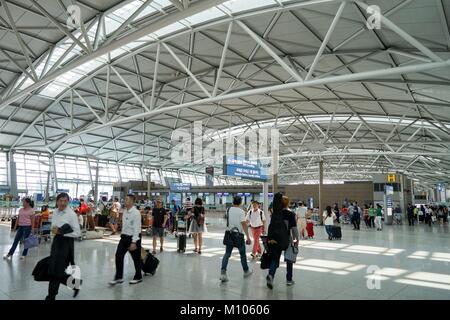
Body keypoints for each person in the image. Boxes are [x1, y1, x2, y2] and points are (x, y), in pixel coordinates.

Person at [46, 192, 82, 300]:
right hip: (56, 243)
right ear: (57, 202)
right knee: (55, 270)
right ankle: (75, 285)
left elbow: (77, 233)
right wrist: (55, 234)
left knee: (56, 271)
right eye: (60, 201)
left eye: (65, 201)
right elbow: (54, 229)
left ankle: (51, 297)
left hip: (66, 244)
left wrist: (62, 233)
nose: (62, 203)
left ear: (68, 201)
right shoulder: (55, 212)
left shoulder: (71, 214)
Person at [266, 194, 299, 289]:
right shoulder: (290, 214)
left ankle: (271, 275)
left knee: (275, 259)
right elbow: (294, 230)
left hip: (275, 239)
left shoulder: (275, 214)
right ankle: (289, 280)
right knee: (289, 259)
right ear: (287, 203)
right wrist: (296, 241)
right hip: (287, 239)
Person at [109, 194, 143, 285]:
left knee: (136, 259)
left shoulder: (136, 213)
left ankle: (138, 276)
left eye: (127, 199)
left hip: (133, 238)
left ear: (132, 201)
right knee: (118, 255)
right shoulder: (125, 211)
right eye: (125, 199)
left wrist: (134, 242)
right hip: (124, 238)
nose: (125, 201)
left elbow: (137, 228)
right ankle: (119, 277)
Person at [220, 196, 252, 282]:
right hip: (238, 235)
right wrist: (248, 237)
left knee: (227, 254)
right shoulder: (241, 211)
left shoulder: (228, 209)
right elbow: (243, 224)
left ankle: (223, 273)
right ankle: (246, 271)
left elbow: (225, 218)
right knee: (242, 254)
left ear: (233, 202)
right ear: (240, 202)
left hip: (229, 234)